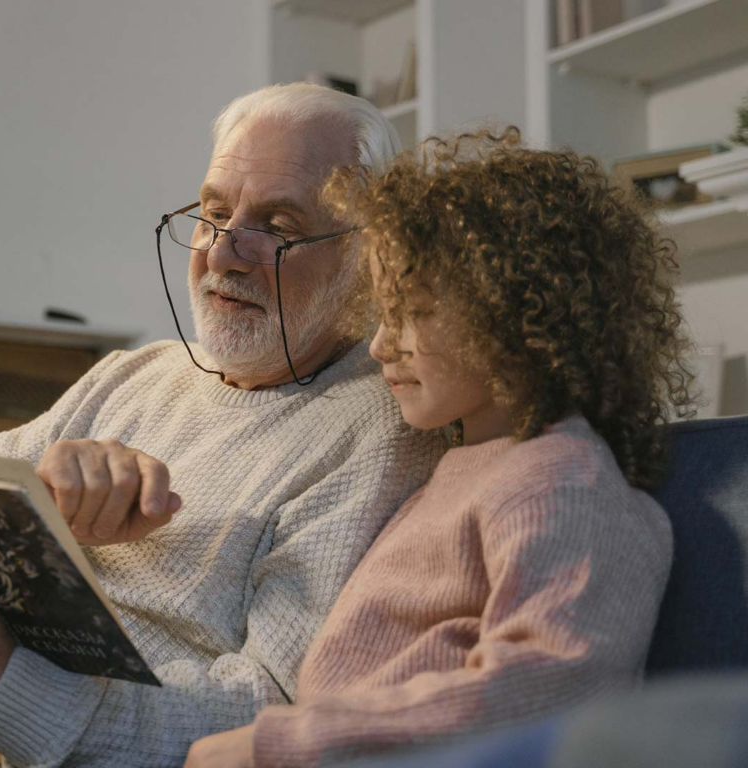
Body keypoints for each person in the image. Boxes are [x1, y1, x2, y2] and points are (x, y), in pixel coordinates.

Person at [184, 127, 697, 768]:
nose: (378, 345)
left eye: (411, 313)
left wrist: (282, 744)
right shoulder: (460, 468)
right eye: (382, 314)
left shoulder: (560, 478)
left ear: (513, 318)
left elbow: (553, 685)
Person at [0, 84, 448, 767]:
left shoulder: (387, 428)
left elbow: (270, 717)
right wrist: (39, 505)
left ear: (367, 254)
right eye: (215, 212)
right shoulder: (134, 372)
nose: (224, 253)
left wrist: (4, 684)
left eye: (279, 226)